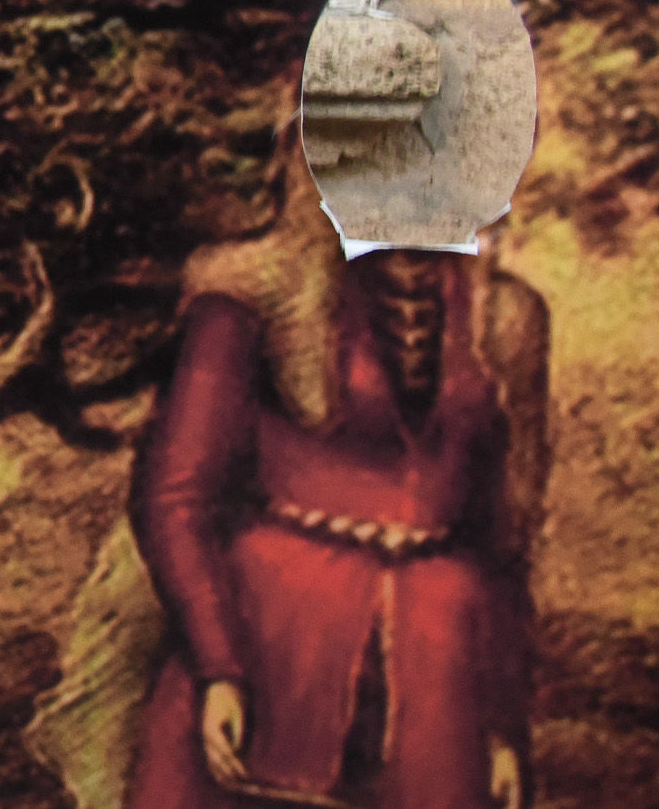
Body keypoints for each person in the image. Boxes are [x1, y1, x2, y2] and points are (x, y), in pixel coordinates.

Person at [122, 192, 548, 809]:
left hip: (439, 668)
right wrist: (219, 667)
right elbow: (175, 496)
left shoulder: (503, 318)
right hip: (273, 641)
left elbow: (501, 540)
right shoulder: (256, 292)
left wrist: (502, 723)